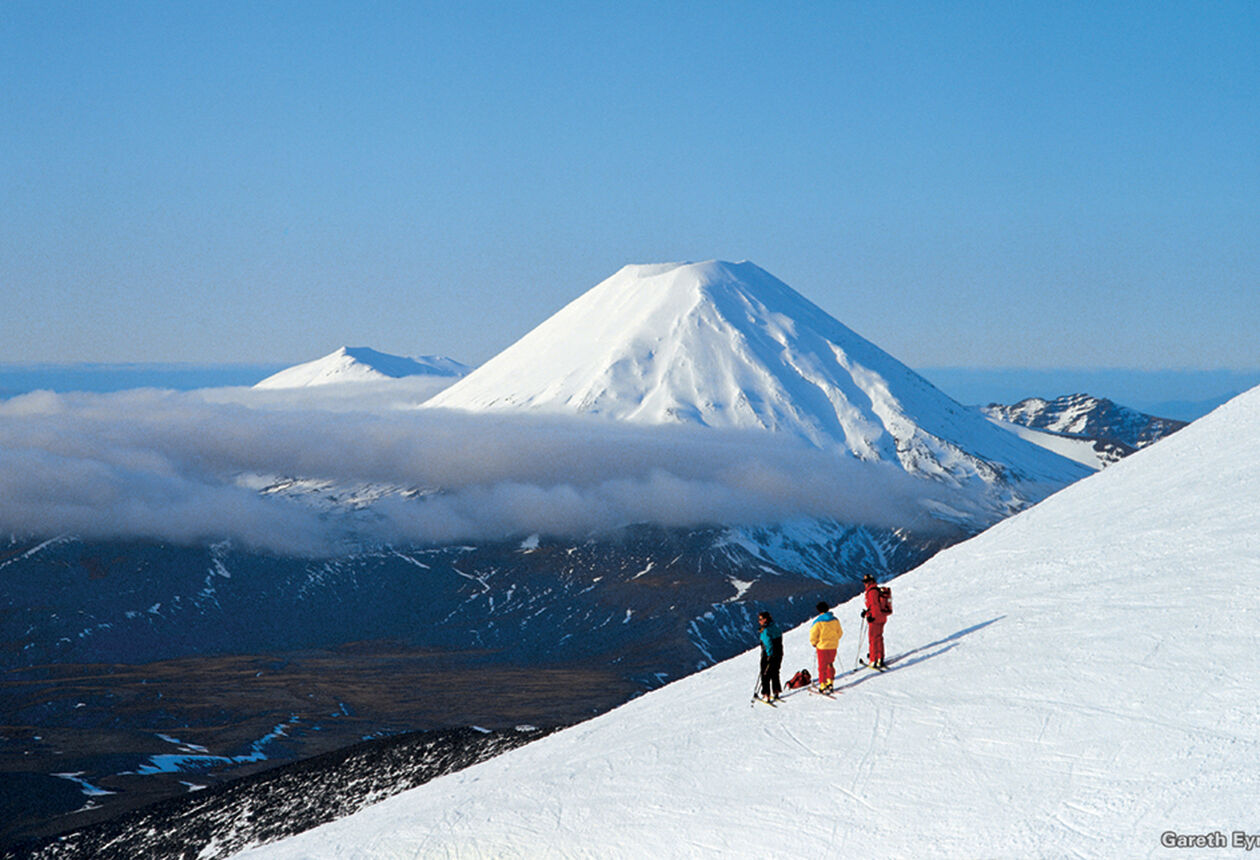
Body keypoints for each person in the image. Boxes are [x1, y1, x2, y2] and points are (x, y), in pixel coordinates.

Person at [808, 601, 842, 693]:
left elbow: (813, 635)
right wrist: (834, 639)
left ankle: (823, 684)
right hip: (833, 646)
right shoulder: (835, 620)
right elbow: (839, 633)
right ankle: (830, 682)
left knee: (822, 666)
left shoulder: (818, 621)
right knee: (830, 664)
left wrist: (814, 643)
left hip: (822, 647)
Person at [861, 574, 889, 669]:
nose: (865, 584)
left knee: (873, 639)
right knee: (879, 638)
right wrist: (867, 613)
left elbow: (874, 605)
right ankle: (880, 658)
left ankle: (873, 659)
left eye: (866, 582)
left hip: (875, 619)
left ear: (870, 582)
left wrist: (871, 616)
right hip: (882, 617)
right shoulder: (876, 590)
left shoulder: (871, 592)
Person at [757, 611, 784, 702]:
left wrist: (768, 655)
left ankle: (766, 694)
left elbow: (768, 644)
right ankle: (776, 691)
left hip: (769, 654)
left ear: (765, 620)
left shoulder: (765, 630)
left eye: (760, 619)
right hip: (779, 652)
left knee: (765, 674)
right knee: (775, 672)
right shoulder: (775, 627)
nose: (759, 621)